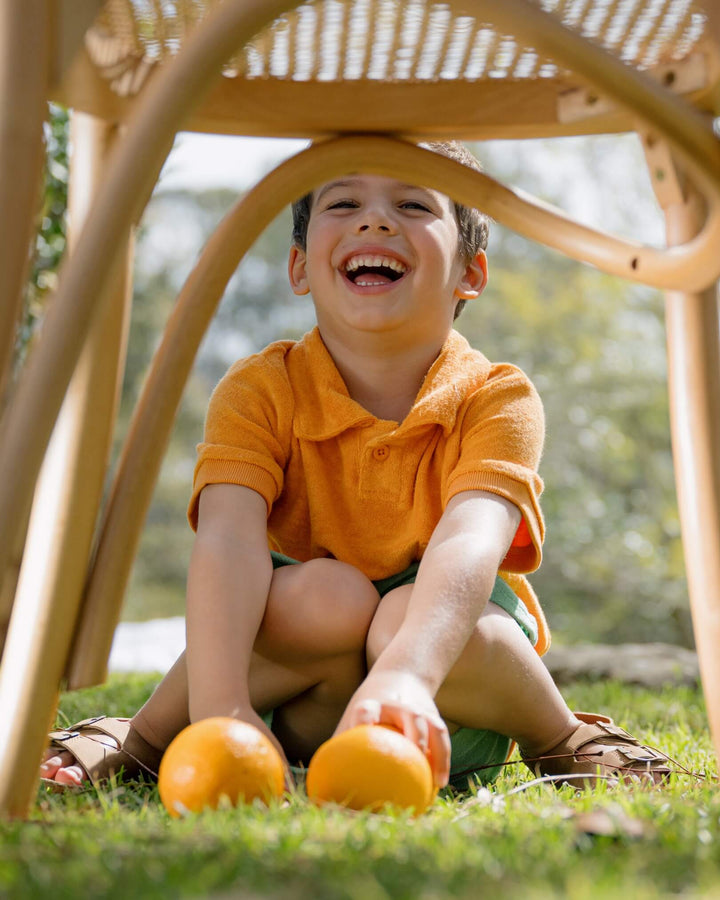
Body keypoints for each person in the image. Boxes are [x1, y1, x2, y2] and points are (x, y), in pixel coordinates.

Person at [42, 141, 669, 792]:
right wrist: (222, 709)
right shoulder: (258, 388)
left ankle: (561, 736)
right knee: (327, 597)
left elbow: (469, 542)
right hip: (296, 694)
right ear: (299, 267)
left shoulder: (497, 397)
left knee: (406, 611)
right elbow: (227, 540)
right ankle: (145, 736)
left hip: (441, 693)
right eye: (344, 202)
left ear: (470, 273)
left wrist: (406, 676)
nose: (375, 220)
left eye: (411, 203)